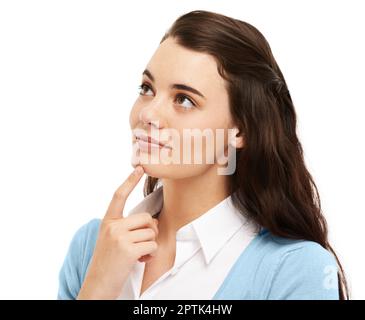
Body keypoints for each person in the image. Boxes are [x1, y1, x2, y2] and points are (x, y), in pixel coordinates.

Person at [57, 10, 348, 300]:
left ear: (240, 129)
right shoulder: (91, 247)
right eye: (147, 88)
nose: (147, 113)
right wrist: (98, 288)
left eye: (184, 99)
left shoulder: (293, 270)